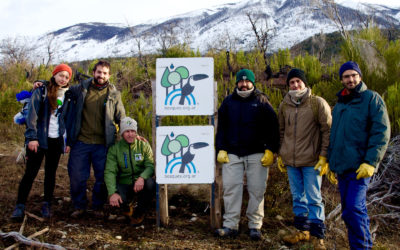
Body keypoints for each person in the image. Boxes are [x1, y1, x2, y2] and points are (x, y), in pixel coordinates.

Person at [328, 61, 390, 250]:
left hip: (361, 168)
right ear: (342, 80)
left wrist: (371, 162)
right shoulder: (339, 105)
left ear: (360, 77)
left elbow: (382, 132)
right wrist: (332, 163)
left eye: (354, 75)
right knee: (348, 212)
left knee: (355, 208)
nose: (350, 79)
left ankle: (363, 247)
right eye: (346, 76)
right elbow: (335, 136)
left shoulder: (372, 99)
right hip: (343, 167)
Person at [215, 69, 280, 241]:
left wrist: (270, 149)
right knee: (231, 189)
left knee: (257, 190)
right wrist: (220, 148)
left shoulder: (262, 101)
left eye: (247, 81)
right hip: (232, 154)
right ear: (236, 83)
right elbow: (221, 128)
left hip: (257, 153)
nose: (244, 85)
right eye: (241, 82)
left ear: (252, 83)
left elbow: (273, 127)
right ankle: (230, 225)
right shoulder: (228, 102)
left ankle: (255, 226)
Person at [277, 68, 331, 250]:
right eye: (291, 82)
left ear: (304, 83)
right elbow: (281, 131)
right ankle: (302, 230)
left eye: (298, 81)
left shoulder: (317, 103)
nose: (295, 85)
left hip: (312, 161)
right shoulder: (285, 105)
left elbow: (327, 131)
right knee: (297, 197)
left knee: (314, 198)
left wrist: (324, 156)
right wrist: (280, 153)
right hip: (291, 162)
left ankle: (318, 236)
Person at [11, 64, 73, 220]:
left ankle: (47, 204)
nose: (63, 79)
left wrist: (67, 142)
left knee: (51, 174)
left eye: (66, 77)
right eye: (61, 75)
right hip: (39, 140)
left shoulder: (68, 95)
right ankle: (20, 205)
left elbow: (68, 120)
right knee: (30, 173)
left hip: (56, 140)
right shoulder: (41, 91)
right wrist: (32, 138)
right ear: (54, 75)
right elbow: (32, 116)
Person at [66, 60, 126, 218]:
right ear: (93, 72)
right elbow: (61, 87)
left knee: (102, 178)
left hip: (103, 144)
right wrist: (42, 83)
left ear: (109, 75)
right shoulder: (80, 89)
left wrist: (131, 132)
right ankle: (79, 206)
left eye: (105, 73)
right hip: (81, 142)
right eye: (99, 72)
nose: (101, 75)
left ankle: (98, 207)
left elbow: (121, 116)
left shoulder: (114, 93)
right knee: (77, 177)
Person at [104, 117, 155, 226]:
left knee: (150, 184)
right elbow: (110, 172)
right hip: (124, 183)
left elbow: (150, 165)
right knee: (110, 189)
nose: (130, 134)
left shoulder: (144, 145)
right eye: (127, 131)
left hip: (140, 183)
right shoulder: (115, 149)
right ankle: (126, 206)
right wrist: (112, 193)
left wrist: (142, 178)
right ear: (122, 133)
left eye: (133, 131)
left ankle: (139, 213)